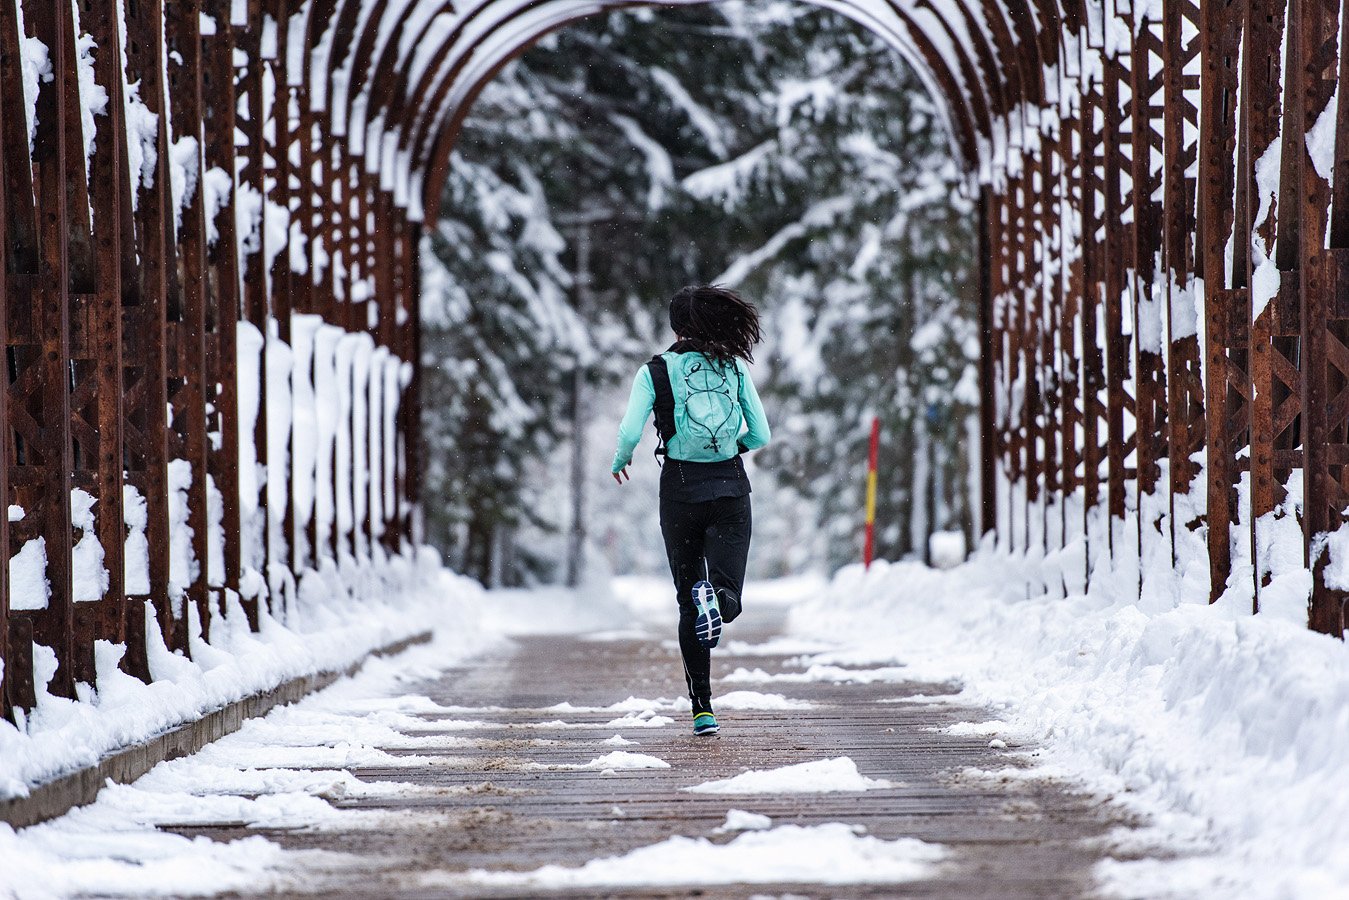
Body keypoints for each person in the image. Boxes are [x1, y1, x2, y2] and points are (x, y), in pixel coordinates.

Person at [611, 284, 771, 736]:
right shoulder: (733, 368)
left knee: (687, 600)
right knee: (728, 592)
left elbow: (629, 432)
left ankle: (703, 708)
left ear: (676, 327)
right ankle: (719, 601)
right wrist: (733, 448)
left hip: (679, 489)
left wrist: (620, 460)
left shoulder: (655, 371)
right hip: (729, 489)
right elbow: (760, 434)